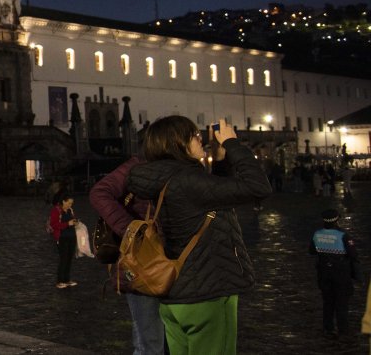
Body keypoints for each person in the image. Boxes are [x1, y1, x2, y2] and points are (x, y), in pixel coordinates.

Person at [127, 117, 271, 355]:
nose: (200, 139)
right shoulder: (188, 180)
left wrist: (221, 161)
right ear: (178, 143)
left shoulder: (162, 179)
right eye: (194, 135)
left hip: (175, 297)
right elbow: (258, 187)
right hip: (207, 294)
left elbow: (213, 194)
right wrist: (233, 144)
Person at [90, 156, 164, 354]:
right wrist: (132, 231)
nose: (200, 142)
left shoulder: (185, 167)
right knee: (150, 343)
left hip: (171, 263)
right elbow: (99, 193)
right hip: (141, 264)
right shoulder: (140, 165)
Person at [310, 208, 360, 339]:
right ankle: (343, 329)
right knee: (342, 302)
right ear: (337, 220)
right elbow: (353, 254)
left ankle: (328, 328)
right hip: (341, 273)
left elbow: (312, 251)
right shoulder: (343, 235)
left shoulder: (317, 234)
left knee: (328, 301)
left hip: (323, 273)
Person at [49, 191, 79, 288]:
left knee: (69, 259)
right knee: (63, 259)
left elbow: (72, 221)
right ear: (63, 201)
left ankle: (67, 280)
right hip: (62, 238)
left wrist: (75, 222)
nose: (70, 205)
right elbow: (54, 225)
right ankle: (60, 281)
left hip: (71, 238)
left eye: (71, 203)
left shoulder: (70, 210)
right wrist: (67, 224)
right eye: (69, 203)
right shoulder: (56, 210)